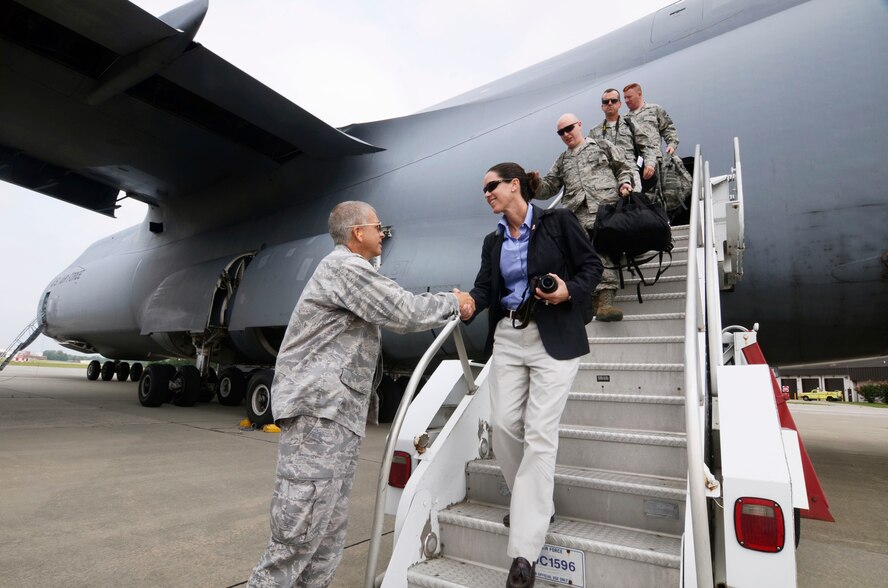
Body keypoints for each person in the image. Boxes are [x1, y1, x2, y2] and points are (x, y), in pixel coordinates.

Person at [248, 201, 475, 588]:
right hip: (318, 415)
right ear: (358, 233)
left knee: (327, 539)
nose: (382, 234)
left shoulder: (353, 270)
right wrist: (455, 302)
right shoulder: (345, 268)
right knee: (298, 536)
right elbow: (402, 310)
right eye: (378, 227)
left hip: (336, 416)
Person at [468, 162, 602, 588]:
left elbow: (592, 267)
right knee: (506, 426)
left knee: (540, 432)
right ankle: (534, 503)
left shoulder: (557, 221)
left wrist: (568, 291)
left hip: (554, 334)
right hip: (508, 335)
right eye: (484, 190)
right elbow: (484, 290)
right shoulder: (492, 241)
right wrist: (468, 302)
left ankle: (524, 552)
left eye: (492, 186)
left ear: (514, 185)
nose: (487, 193)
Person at [534, 113, 633, 321]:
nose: (566, 134)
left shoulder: (602, 145)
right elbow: (548, 189)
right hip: (576, 214)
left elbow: (622, 167)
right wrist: (533, 184)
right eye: (561, 132)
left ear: (579, 124)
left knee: (602, 251)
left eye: (569, 128)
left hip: (604, 208)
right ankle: (596, 301)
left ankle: (605, 303)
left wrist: (625, 183)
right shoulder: (562, 160)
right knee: (584, 257)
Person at [593, 88, 655, 193]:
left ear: (619, 104)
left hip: (631, 174)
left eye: (613, 101)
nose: (609, 103)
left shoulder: (630, 124)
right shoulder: (594, 132)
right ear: (602, 107)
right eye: (605, 102)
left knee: (634, 205)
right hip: (607, 179)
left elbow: (646, 146)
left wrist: (650, 164)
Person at [622, 82, 680, 181]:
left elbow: (667, 128)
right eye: (625, 98)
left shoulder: (654, 109)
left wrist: (672, 144)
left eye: (629, 97)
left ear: (639, 94)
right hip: (639, 164)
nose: (626, 100)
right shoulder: (625, 119)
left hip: (657, 160)